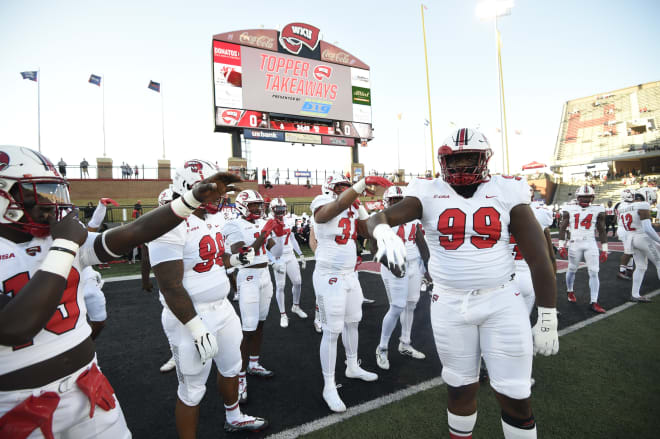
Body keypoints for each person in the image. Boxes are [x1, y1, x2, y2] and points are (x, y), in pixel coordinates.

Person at [0, 145, 241, 438]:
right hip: (17, 407)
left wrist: (191, 199)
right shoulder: (60, 241)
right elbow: (14, 328)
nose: (52, 204)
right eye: (38, 193)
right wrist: (64, 246)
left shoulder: (55, 237)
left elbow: (134, 233)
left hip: (88, 387)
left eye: (54, 192)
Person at [367, 128, 558, 438]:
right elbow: (375, 220)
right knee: (458, 388)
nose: (460, 167)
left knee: (515, 396)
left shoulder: (507, 190)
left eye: (469, 158)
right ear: (444, 162)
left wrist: (548, 314)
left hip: (501, 301)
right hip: (449, 303)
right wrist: (382, 231)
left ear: (484, 159)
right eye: (454, 161)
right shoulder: (427, 191)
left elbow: (539, 258)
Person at [148, 161, 268, 436]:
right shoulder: (169, 223)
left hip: (222, 308)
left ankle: (234, 416)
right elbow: (170, 286)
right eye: (213, 190)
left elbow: (213, 258)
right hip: (189, 316)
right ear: (190, 188)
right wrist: (195, 326)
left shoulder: (213, 218)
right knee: (191, 389)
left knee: (232, 367)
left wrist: (236, 258)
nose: (220, 196)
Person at [311, 173, 392, 412]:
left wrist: (364, 208)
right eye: (340, 187)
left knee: (353, 322)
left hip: (350, 274)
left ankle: (352, 366)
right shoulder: (320, 200)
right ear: (329, 188)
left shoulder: (353, 205)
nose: (344, 190)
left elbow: (367, 231)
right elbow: (328, 211)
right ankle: (328, 385)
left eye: (346, 187)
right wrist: (356, 189)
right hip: (329, 275)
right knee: (332, 330)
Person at [223, 190, 279, 404]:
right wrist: (264, 234)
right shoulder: (233, 225)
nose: (257, 209)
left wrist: (279, 234)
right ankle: (240, 377)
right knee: (247, 330)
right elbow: (243, 257)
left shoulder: (261, 222)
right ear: (242, 206)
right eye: (253, 205)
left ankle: (254, 363)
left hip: (265, 276)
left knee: (261, 325)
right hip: (248, 278)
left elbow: (276, 250)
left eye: (258, 205)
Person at [375, 186, 431, 371]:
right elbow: (371, 248)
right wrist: (391, 265)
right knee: (397, 306)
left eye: (400, 199)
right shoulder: (382, 219)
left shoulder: (412, 218)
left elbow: (420, 242)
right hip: (395, 266)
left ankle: (405, 343)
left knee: (411, 304)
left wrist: (427, 268)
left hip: (414, 265)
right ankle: (382, 348)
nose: (397, 203)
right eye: (393, 200)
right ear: (386, 202)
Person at [558, 185, 608, 313]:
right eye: (583, 197)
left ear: (592, 197)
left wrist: (605, 248)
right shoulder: (569, 208)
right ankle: (570, 291)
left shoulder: (598, 209)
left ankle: (594, 301)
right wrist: (561, 245)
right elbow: (563, 227)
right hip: (575, 243)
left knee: (594, 272)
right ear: (577, 197)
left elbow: (602, 229)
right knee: (572, 269)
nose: (585, 200)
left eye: (588, 197)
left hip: (590, 243)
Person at [267, 198, 307, 328]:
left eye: (282, 209)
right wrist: (272, 261)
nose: (280, 212)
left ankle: (295, 306)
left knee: (298, 282)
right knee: (280, 286)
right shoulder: (268, 222)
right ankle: (283, 314)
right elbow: (265, 245)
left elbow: (292, 238)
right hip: (278, 257)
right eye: (278, 210)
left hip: (290, 255)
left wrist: (300, 253)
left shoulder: (288, 220)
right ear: (272, 210)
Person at [618, 188, 658, 302]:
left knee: (640, 266)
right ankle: (635, 294)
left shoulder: (624, 207)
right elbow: (647, 229)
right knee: (659, 262)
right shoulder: (643, 205)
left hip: (631, 237)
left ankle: (635, 294)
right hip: (641, 237)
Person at [615, 190, 635, 280]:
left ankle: (629, 270)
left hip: (623, 228)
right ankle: (622, 271)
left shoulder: (619, 204)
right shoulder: (628, 205)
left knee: (631, 251)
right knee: (628, 251)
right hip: (626, 229)